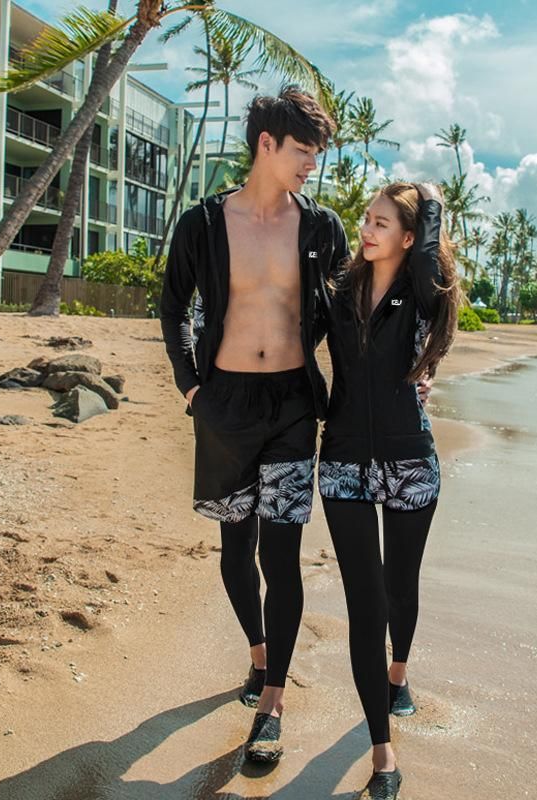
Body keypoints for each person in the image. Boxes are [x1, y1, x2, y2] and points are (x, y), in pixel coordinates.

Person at [159, 86, 349, 762]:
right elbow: (173, 305)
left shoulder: (321, 227)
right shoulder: (204, 223)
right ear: (266, 144)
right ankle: (260, 652)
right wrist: (190, 386)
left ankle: (272, 700)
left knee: (282, 555)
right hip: (225, 406)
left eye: (316, 154)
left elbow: (349, 313)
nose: (311, 165)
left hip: (292, 406)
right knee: (235, 549)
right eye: (302, 151)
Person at [318, 182, 462, 799]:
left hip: (408, 462)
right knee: (365, 604)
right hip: (344, 464)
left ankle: (397, 671)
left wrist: (427, 195)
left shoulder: (421, 291)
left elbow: (429, 253)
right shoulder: (339, 291)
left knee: (401, 586)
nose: (366, 229)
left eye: (381, 223)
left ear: (408, 237)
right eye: (366, 219)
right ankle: (381, 750)